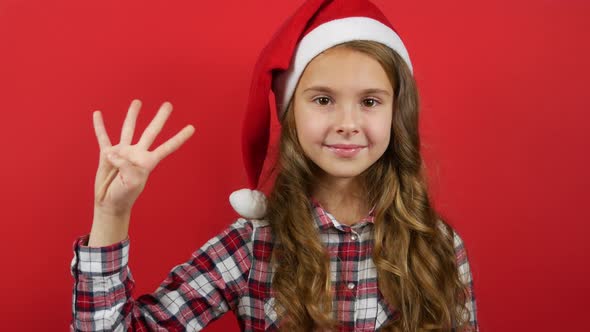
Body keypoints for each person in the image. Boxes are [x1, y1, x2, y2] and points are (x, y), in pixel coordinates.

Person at [70, 0, 479, 331]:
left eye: (370, 101)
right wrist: (112, 213)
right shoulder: (253, 245)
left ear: (396, 113)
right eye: (323, 100)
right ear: (291, 114)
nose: (348, 124)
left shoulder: (438, 246)